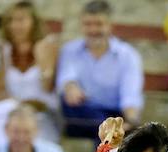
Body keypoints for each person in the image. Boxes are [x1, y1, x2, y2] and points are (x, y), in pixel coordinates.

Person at [57, 0, 144, 139]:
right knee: (68, 101)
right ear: (81, 25)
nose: (93, 30)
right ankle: (109, 131)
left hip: (113, 114)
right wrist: (70, 87)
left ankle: (108, 132)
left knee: (108, 127)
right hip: (80, 114)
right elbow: (67, 78)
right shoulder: (70, 50)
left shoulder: (128, 56)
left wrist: (131, 121)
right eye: (88, 24)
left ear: (110, 26)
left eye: (98, 24)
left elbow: (130, 95)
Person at [0, 2, 60, 142]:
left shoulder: (47, 45)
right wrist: (18, 104)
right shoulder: (5, 49)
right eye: (11, 20)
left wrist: (41, 57)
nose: (15, 25)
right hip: (13, 109)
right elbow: (0, 90)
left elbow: (48, 87)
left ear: (33, 22)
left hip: (42, 111)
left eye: (21, 20)